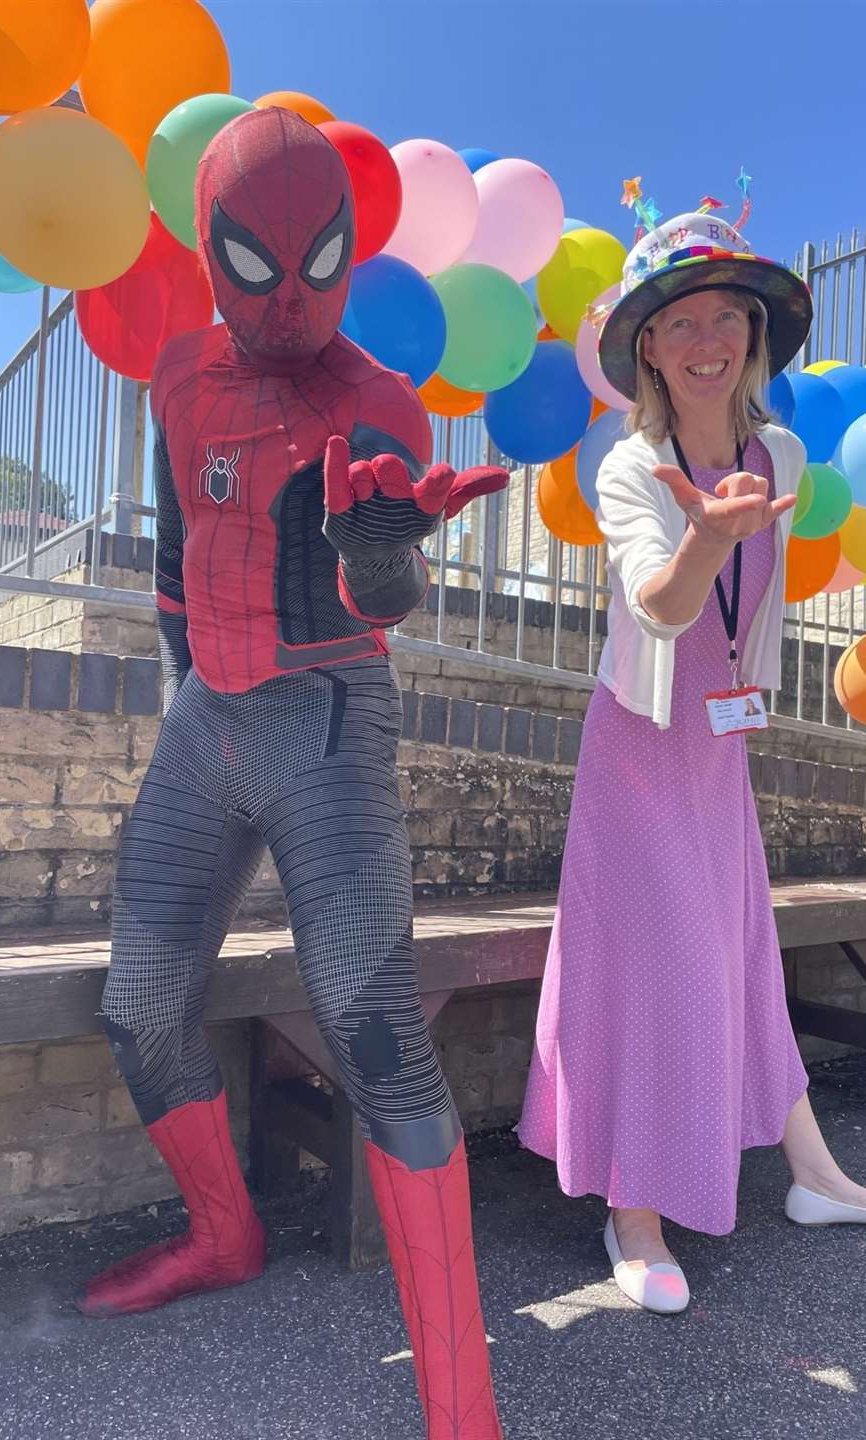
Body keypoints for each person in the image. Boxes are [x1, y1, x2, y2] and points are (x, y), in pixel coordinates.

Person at [78, 106, 507, 1439]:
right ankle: (226, 1234)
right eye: (253, 265)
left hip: (328, 714)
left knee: (373, 1024)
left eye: (316, 262)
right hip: (209, 715)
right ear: (208, 248)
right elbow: (168, 561)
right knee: (140, 1004)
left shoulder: (380, 399)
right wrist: (181, 704)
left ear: (351, 248)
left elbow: (377, 597)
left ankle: (462, 1406)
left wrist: (383, 550)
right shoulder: (177, 377)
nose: (288, 296)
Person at [518, 190, 866, 1315]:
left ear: (754, 336)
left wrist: (744, 637)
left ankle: (816, 1177)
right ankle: (633, 1212)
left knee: (743, 956)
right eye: (681, 323)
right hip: (642, 746)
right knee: (658, 968)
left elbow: (756, 613)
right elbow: (656, 608)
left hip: (720, 744)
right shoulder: (628, 462)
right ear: (647, 345)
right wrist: (705, 533)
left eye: (727, 319)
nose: (707, 343)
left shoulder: (784, 448)